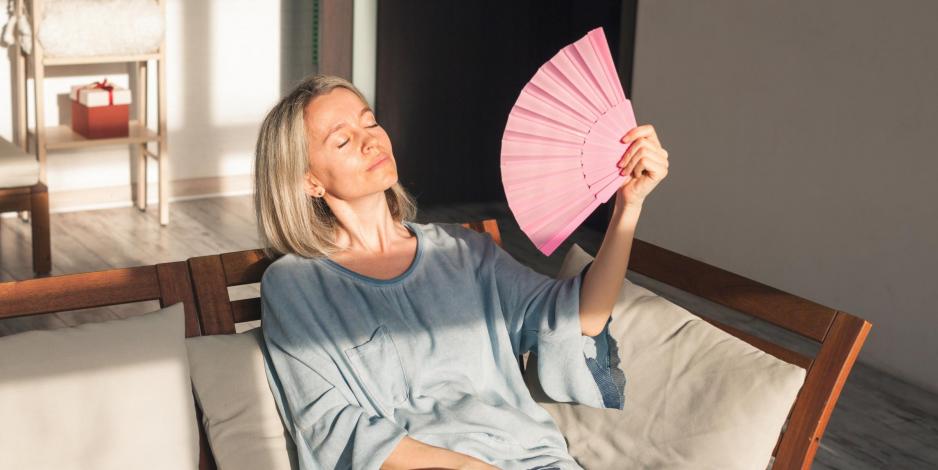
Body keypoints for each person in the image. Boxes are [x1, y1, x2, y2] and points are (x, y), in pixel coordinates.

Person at [254, 74, 669, 470]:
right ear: (309, 181)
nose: (370, 141)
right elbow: (331, 424)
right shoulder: (295, 285)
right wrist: (470, 465)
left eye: (371, 122)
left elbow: (580, 320)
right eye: (343, 140)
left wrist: (628, 206)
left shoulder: (463, 251)